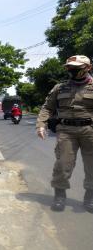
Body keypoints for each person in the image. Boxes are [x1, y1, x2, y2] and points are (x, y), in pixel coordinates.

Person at [36, 55, 93, 213]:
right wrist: (41, 124)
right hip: (66, 131)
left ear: (88, 68)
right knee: (63, 164)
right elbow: (47, 107)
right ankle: (60, 196)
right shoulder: (60, 88)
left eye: (76, 68)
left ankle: (90, 198)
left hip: (90, 131)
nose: (72, 70)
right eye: (70, 67)